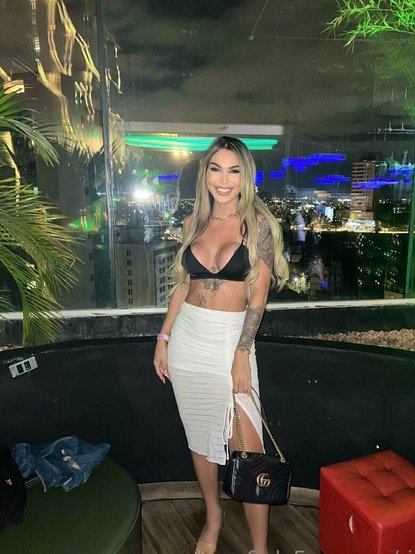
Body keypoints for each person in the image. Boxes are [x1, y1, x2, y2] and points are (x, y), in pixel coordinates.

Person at [153, 136, 288, 554]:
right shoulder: (193, 222)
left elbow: (258, 299)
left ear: (245, 176)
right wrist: (163, 337)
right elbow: (183, 287)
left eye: (234, 170)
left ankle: (259, 547)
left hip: (231, 341)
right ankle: (213, 517)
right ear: (205, 173)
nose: (224, 180)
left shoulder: (257, 226)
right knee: (199, 440)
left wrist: (242, 354)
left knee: (249, 448)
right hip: (187, 341)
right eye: (216, 169)